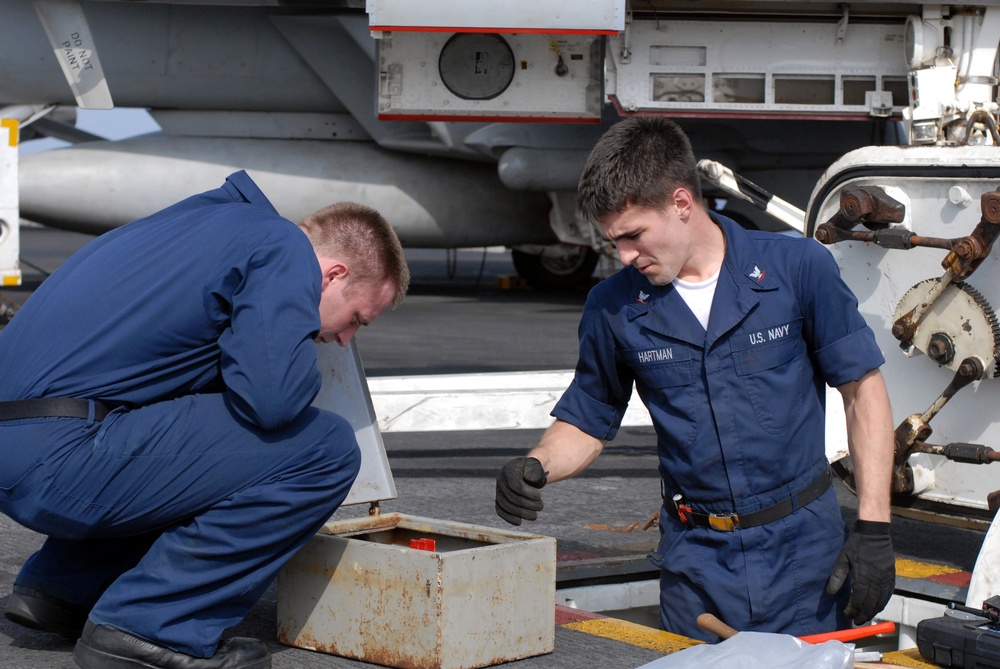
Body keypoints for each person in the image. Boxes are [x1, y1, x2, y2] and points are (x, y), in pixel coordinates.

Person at [495, 117, 896, 640]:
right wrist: (536, 465)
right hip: (698, 568)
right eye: (613, 241)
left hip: (804, 560)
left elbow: (863, 392)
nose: (624, 256)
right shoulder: (612, 308)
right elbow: (589, 419)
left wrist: (874, 527)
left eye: (634, 236)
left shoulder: (797, 269)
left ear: (682, 204)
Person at [0, 170, 409, 669]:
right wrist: (298, 345)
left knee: (201, 416)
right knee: (325, 450)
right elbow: (272, 401)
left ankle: (63, 589)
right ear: (334, 274)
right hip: (59, 461)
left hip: (26, 444)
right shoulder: (282, 249)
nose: (346, 340)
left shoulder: (203, 225)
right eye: (356, 321)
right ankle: (153, 627)